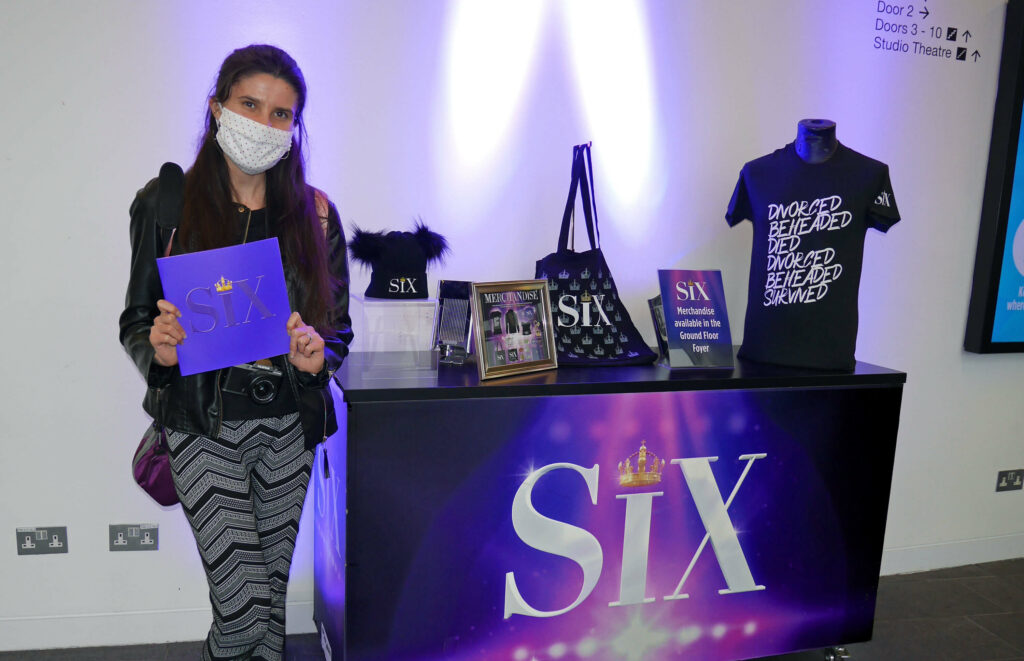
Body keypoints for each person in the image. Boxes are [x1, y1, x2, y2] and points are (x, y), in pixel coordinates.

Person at [118, 44, 352, 660]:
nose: (264, 123)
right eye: (250, 104)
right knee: (242, 604)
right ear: (218, 106)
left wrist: (317, 355)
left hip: (287, 429)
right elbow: (136, 320)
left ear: (294, 128)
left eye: (281, 114)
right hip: (202, 425)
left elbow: (339, 331)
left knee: (268, 603)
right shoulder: (166, 203)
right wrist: (159, 351)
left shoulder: (317, 216)